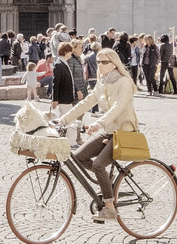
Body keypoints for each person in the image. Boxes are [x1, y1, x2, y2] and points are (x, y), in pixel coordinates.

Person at [56, 48, 138, 223]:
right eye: (98, 62)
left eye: (104, 62)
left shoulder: (124, 82)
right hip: (109, 130)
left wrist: (98, 122)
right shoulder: (102, 82)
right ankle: (107, 182)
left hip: (124, 131)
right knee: (79, 157)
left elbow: (119, 107)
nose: (99, 65)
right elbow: (86, 102)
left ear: (114, 64)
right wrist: (63, 119)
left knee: (99, 164)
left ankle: (109, 209)